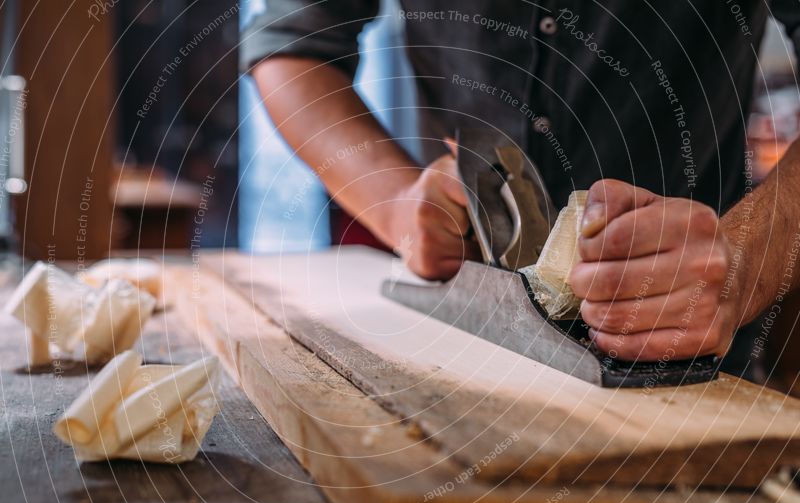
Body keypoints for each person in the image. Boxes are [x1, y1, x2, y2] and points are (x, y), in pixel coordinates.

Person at [241, 1, 800, 365]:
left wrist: (745, 255)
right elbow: (293, 48)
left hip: (688, 350)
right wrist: (395, 203)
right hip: (461, 331)